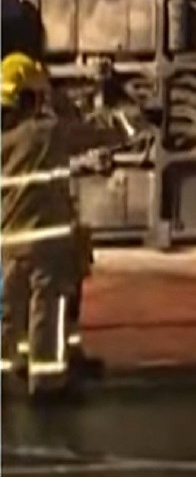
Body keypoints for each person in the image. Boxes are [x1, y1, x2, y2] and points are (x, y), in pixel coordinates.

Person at [1, 53, 112, 400]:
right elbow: (96, 133)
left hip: (6, 244)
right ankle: (47, 382)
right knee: (46, 311)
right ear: (28, 97)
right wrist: (134, 119)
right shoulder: (45, 134)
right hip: (47, 243)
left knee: (7, 314)